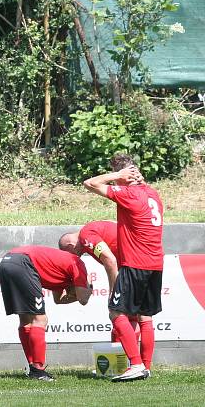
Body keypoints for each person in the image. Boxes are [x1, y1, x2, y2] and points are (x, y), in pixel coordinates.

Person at [84, 153, 163, 381]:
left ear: (124, 177)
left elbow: (90, 183)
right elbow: (140, 185)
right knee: (145, 316)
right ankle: (145, 367)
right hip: (155, 263)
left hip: (135, 263)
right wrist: (133, 177)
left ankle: (136, 364)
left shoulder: (129, 194)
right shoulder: (152, 194)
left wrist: (116, 176)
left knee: (116, 312)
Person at [0, 245, 92, 381]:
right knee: (40, 320)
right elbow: (83, 299)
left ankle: (32, 367)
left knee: (25, 319)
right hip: (24, 263)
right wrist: (88, 289)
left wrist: (73, 294)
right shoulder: (79, 266)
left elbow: (58, 300)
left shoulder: (62, 273)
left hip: (7, 261)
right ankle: (38, 369)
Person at [58, 221, 141, 343]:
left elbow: (110, 261)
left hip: (134, 265)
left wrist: (113, 292)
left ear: (70, 245)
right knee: (134, 316)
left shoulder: (86, 236)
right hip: (137, 264)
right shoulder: (90, 236)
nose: (76, 257)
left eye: (70, 254)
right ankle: (134, 360)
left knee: (117, 314)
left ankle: (126, 358)